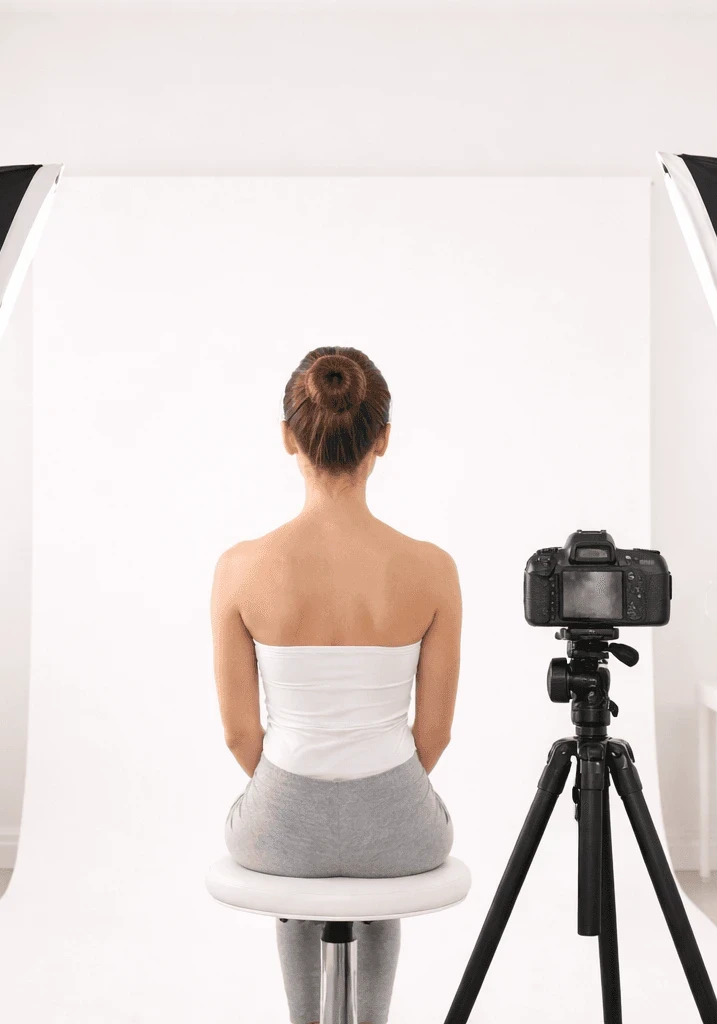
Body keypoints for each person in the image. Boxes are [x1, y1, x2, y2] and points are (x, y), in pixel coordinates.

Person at [211, 346, 461, 1024]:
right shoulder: (432, 569)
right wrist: (380, 792)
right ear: (383, 439)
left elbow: (240, 734)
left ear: (288, 436)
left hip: (280, 822)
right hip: (401, 823)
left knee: (299, 870)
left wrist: (300, 796)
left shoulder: (240, 569)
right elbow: (432, 734)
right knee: (376, 878)